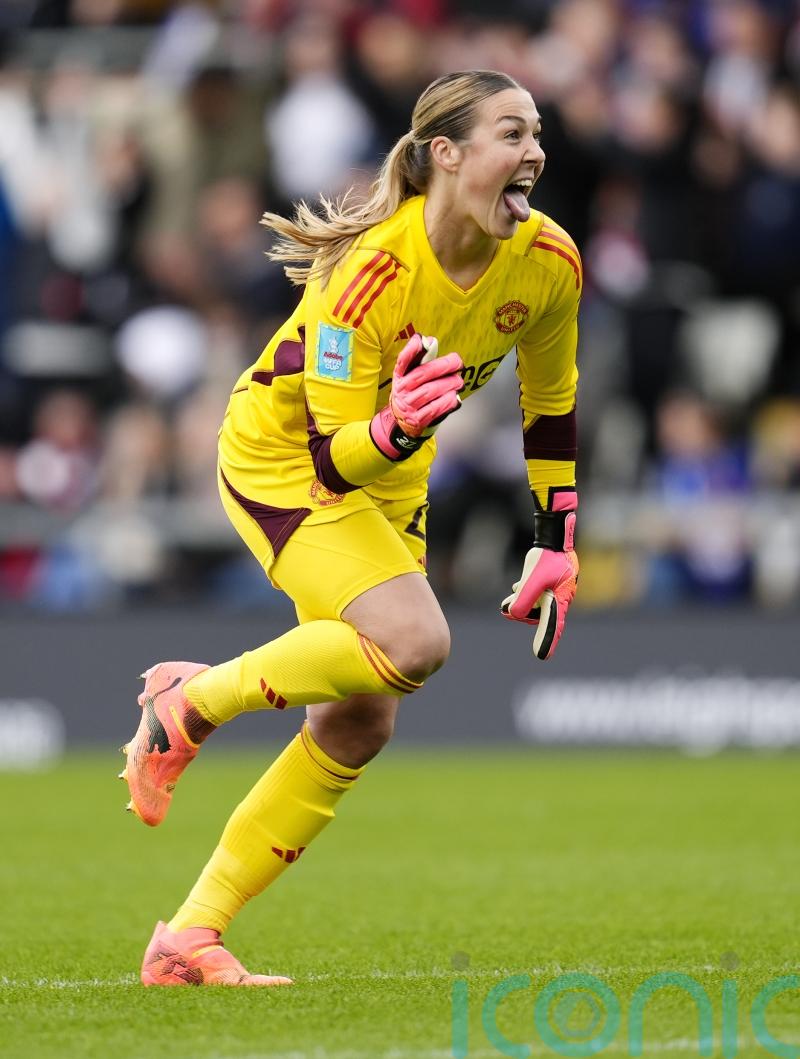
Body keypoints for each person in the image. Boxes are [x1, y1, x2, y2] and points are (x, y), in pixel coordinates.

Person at [120, 69, 581, 988]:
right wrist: (398, 427)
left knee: (364, 716)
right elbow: (331, 457)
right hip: (284, 457)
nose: (533, 151)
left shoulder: (549, 261)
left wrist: (556, 539)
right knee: (415, 637)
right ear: (445, 154)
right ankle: (195, 700)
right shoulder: (370, 270)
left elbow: (552, 400)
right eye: (509, 132)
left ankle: (189, 938)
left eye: (535, 133)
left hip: (391, 478)